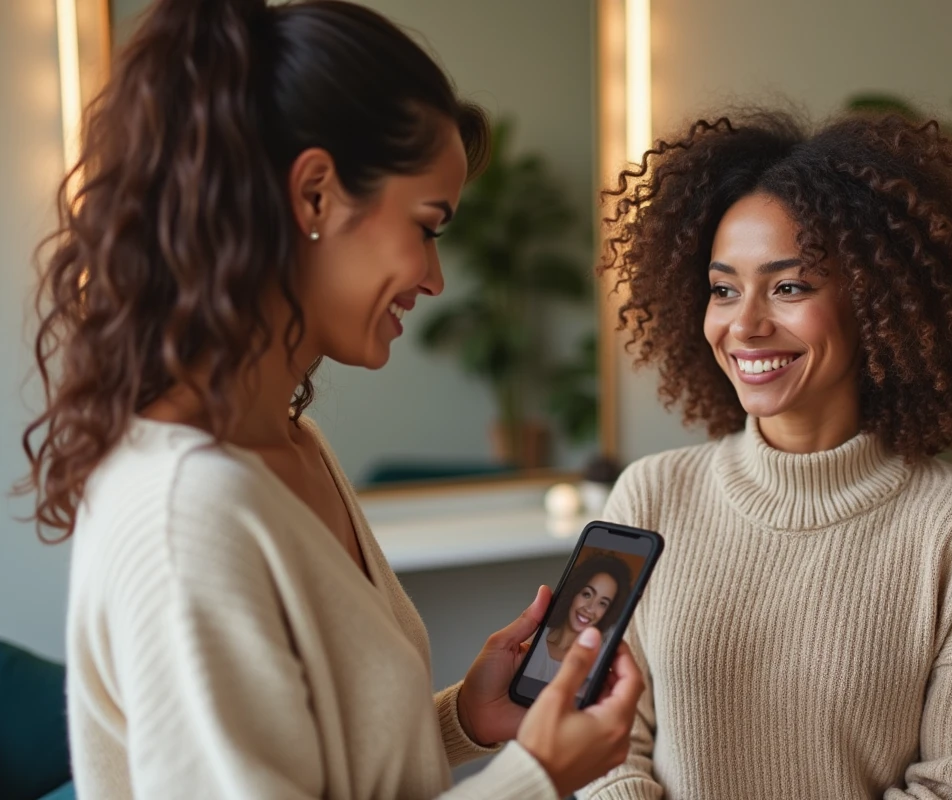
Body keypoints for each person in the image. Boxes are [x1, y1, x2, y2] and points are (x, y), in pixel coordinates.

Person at [18, 1, 642, 797]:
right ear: (314, 195)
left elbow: (318, 758)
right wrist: (540, 776)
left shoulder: (292, 445)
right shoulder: (185, 511)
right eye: (427, 225)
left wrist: (462, 720)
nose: (434, 279)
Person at [580, 109, 952, 799]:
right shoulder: (648, 497)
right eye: (724, 288)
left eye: (790, 286)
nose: (746, 324)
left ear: (878, 303)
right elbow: (601, 741)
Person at [525, 555, 633, 683]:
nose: (590, 608)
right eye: (587, 594)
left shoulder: (600, 658)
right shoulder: (532, 644)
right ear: (574, 592)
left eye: (603, 603)